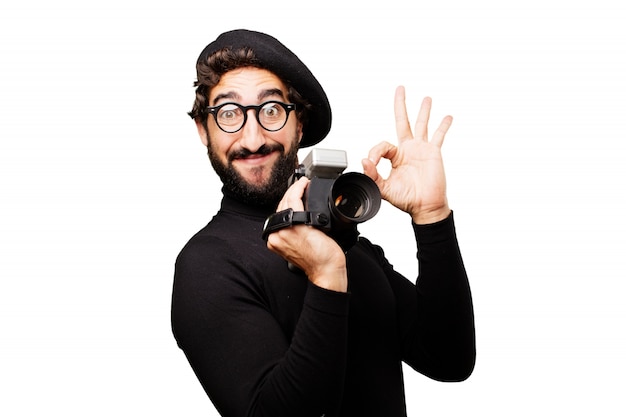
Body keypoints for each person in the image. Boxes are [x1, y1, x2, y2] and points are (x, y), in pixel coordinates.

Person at [171, 29, 475, 417]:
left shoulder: (350, 244)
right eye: (228, 113)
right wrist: (327, 277)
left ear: (300, 125)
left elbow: (449, 359)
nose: (252, 138)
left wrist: (432, 217)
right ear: (203, 129)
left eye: (271, 110)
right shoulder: (206, 266)